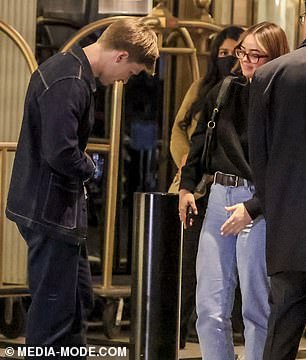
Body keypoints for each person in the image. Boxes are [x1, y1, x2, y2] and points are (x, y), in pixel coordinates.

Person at [5, 18, 158, 352]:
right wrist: (92, 168)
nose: (123, 81)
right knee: (54, 315)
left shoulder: (69, 73)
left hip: (54, 211)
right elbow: (59, 152)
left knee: (76, 304)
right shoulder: (70, 80)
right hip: (50, 213)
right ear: (119, 56)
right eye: (130, 73)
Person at [179, 22, 289, 360]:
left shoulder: (283, 97)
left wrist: (254, 207)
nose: (247, 59)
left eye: (257, 54)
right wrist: (186, 187)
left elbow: (287, 164)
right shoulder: (225, 90)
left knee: (256, 308)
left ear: (276, 57)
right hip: (217, 196)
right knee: (209, 306)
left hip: (258, 202)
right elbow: (201, 141)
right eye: (244, 51)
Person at [169, 25, 244, 349]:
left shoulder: (253, 89)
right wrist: (186, 165)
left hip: (238, 189)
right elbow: (182, 130)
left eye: (236, 52)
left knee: (242, 282)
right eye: (223, 53)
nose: (230, 59)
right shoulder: (205, 88)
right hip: (200, 186)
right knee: (193, 269)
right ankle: (181, 329)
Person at [248, 9, 306, 360]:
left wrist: (275, 212)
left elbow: (260, 159)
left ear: (303, 21)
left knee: (280, 338)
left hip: (288, 234)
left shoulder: (270, 74)